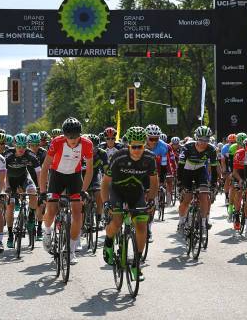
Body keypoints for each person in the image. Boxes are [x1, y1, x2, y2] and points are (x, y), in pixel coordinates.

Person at [101, 126, 158, 282]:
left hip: (136, 192)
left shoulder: (150, 158)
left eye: (141, 146)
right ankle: (109, 241)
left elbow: (154, 182)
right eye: (134, 147)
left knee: (141, 225)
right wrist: (106, 202)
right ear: (128, 145)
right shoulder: (118, 157)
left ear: (145, 145)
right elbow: (105, 182)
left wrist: (152, 200)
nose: (137, 150)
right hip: (117, 191)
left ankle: (136, 263)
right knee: (117, 221)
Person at [39, 117, 93, 264]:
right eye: (70, 137)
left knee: (77, 214)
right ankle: (48, 232)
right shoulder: (57, 142)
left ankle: (71, 250)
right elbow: (45, 168)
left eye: (76, 137)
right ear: (64, 136)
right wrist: (43, 191)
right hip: (57, 176)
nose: (73, 140)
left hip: (74, 177)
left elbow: (89, 170)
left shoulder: (87, 144)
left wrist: (84, 190)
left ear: (80, 134)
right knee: (51, 210)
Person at [177, 126, 218, 235]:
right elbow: (180, 166)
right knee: (187, 199)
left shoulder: (211, 149)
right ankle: (181, 222)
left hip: (200, 171)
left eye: (206, 140)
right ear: (196, 138)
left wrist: (214, 184)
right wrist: (180, 182)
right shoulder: (187, 147)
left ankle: (204, 223)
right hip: (187, 171)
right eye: (201, 139)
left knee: (204, 196)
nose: (204, 142)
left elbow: (214, 169)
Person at [3, 133, 41, 249]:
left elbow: (39, 172)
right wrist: (7, 187)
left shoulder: (30, 154)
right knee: (11, 205)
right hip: (10, 179)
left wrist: (40, 188)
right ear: (14, 145)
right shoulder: (8, 154)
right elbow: (3, 173)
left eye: (24, 146)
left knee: (33, 191)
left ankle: (30, 216)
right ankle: (10, 235)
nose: (21, 149)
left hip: (24, 177)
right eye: (19, 146)